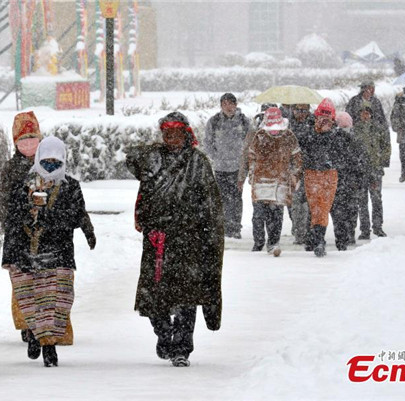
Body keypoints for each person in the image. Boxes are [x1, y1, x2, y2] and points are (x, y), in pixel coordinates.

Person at [126, 112, 224, 367]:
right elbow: (137, 173)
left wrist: (205, 233)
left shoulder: (198, 162)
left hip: (188, 239)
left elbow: (210, 203)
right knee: (154, 295)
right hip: (158, 238)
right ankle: (163, 333)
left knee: (185, 296)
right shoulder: (153, 159)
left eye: (176, 132)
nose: (171, 138)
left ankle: (182, 346)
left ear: (186, 133)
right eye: (166, 133)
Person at [2, 136, 96, 367]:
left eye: (56, 161)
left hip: (57, 252)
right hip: (26, 253)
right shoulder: (23, 185)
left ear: (63, 160)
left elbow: (77, 214)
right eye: (46, 161)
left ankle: (49, 340)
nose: (50, 166)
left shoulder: (70, 186)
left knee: (56, 301)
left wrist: (87, 231)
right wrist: (30, 208)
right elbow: (12, 217)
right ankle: (39, 338)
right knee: (31, 299)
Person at [0, 111, 42, 344]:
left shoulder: (48, 163)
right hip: (18, 233)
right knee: (21, 280)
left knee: (46, 278)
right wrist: (9, 225)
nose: (28, 144)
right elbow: (3, 200)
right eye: (22, 140)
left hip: (45, 233)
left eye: (32, 139)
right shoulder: (11, 168)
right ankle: (26, 322)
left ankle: (46, 321)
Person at [238, 107, 302, 256]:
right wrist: (252, 174)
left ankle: (273, 243)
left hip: (281, 181)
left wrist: (294, 174)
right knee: (259, 214)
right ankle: (258, 242)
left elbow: (297, 158)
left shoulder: (289, 136)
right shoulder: (259, 136)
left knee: (277, 214)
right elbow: (251, 156)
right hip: (262, 181)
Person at [299, 98, 344, 257]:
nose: (324, 121)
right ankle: (315, 239)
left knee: (323, 207)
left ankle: (318, 239)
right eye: (321, 117)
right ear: (316, 117)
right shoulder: (307, 133)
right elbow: (299, 151)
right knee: (315, 207)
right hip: (311, 173)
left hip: (329, 174)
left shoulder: (338, 135)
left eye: (328, 118)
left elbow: (344, 156)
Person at [204, 92, 252, 239]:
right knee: (221, 198)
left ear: (235, 105)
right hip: (220, 168)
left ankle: (235, 227)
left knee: (236, 198)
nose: (228, 107)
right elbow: (208, 142)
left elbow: (250, 143)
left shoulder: (244, 121)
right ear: (221, 106)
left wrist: (245, 162)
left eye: (231, 103)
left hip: (238, 168)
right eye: (224, 104)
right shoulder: (214, 121)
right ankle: (223, 227)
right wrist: (217, 157)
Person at [352, 106, 391, 239]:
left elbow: (386, 146)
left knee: (376, 199)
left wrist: (381, 162)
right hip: (360, 171)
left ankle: (378, 227)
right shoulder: (355, 129)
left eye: (367, 113)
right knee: (362, 201)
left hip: (375, 170)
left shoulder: (378, 128)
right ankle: (364, 229)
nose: (365, 115)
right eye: (362, 113)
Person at [332, 111, 364, 249]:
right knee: (350, 209)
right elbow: (361, 161)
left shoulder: (332, 139)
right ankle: (348, 233)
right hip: (348, 181)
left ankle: (343, 235)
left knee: (341, 211)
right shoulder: (355, 140)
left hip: (341, 180)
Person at [287, 104, 314, 245]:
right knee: (294, 203)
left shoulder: (314, 123)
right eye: (297, 110)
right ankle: (298, 231)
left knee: (308, 203)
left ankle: (307, 231)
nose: (300, 113)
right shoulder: (287, 124)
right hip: (293, 170)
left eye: (304, 110)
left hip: (311, 168)